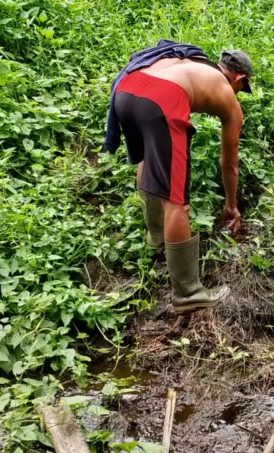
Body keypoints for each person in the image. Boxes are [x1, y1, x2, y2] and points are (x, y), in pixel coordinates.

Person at [104, 40, 252, 313]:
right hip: (163, 98)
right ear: (238, 78)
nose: (238, 94)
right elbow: (230, 163)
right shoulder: (227, 94)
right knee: (176, 200)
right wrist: (231, 206)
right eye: (242, 89)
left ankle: (156, 242)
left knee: (149, 162)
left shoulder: (192, 64)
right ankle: (188, 293)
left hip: (126, 88)